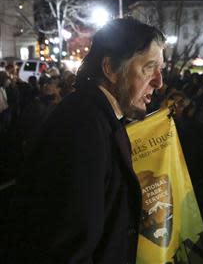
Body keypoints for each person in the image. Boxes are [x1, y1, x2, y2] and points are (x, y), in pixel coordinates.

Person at [10, 18, 165, 263]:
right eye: (149, 68)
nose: (159, 82)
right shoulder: (83, 129)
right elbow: (70, 248)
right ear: (111, 69)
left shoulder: (98, 119)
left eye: (160, 69)